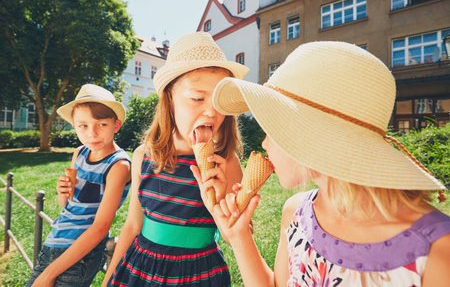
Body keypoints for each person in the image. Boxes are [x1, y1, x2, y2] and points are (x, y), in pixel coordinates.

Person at [203, 41, 450, 286]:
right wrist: (239, 236)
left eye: (274, 127)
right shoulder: (296, 214)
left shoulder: (437, 250)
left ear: (312, 134)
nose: (265, 143)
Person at [103, 32, 249, 286]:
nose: (211, 111)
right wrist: (107, 281)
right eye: (197, 98)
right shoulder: (143, 156)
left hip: (200, 272)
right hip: (142, 267)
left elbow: (237, 236)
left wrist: (223, 199)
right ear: (170, 97)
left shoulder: (227, 162)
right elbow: (133, 224)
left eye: (219, 101)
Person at [26, 84, 131, 287]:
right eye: (83, 125)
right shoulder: (79, 153)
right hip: (53, 243)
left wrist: (49, 274)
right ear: (74, 125)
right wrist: (62, 192)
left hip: (80, 255)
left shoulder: (119, 165)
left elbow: (100, 228)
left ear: (116, 125)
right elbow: (68, 206)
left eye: (101, 124)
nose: (91, 133)